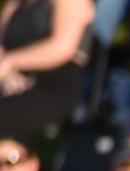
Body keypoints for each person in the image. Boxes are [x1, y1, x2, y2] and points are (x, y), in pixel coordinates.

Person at [0, 0, 93, 136]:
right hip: (12, 80)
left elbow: (62, 48)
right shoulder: (17, 4)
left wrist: (11, 63)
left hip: (54, 83)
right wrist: (7, 75)